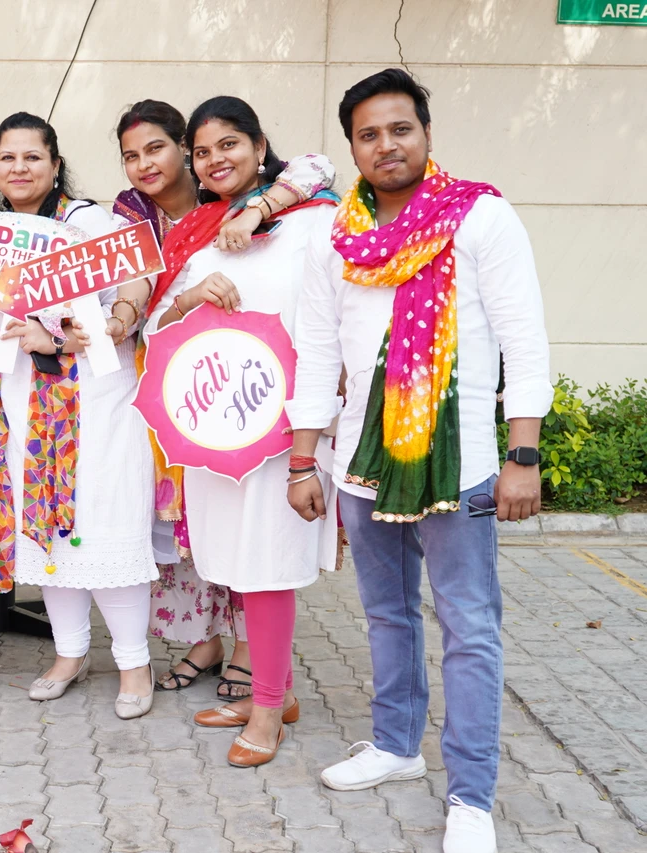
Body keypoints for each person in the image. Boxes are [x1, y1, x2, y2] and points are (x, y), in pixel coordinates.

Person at [286, 69, 551, 852]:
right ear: (353, 148)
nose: (385, 145)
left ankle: (471, 795)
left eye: (399, 128)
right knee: (385, 611)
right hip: (360, 463)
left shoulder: (481, 217)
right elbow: (317, 352)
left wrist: (523, 454)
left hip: (461, 460)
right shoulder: (336, 238)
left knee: (469, 624)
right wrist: (305, 458)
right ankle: (398, 746)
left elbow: (522, 340)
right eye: (368, 134)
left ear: (426, 133)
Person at [112, 99, 335, 702]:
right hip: (214, 423)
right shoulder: (200, 234)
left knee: (268, 566)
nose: (215, 160)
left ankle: (265, 700)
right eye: (204, 152)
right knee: (231, 558)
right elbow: (157, 327)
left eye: (229, 146)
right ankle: (273, 694)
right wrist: (178, 302)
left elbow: (322, 167)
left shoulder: (311, 219)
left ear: (261, 147)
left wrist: (261, 205)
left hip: (283, 426)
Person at [0, 112, 157, 719]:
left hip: (98, 401)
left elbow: (136, 279)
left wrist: (113, 321)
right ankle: (70, 653)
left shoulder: (87, 222)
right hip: (27, 403)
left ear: (55, 165)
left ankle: (135, 665)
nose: (20, 168)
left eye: (32, 157)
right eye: (8, 158)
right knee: (47, 527)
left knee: (107, 523)